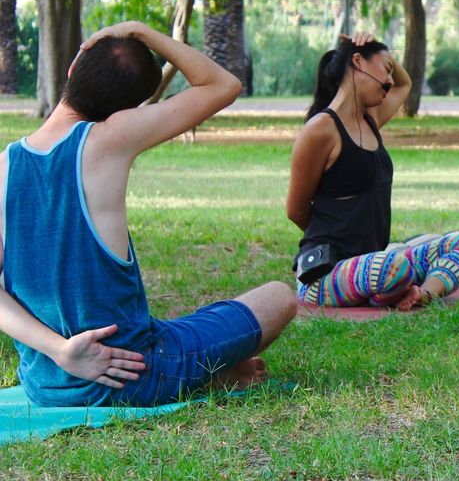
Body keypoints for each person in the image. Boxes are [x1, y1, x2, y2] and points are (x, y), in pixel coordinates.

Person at [1, 22, 296, 407]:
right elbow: (223, 85)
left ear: (73, 69)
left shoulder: (5, 166)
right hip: (135, 374)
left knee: (177, 329)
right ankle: (207, 376)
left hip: (47, 383)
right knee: (280, 297)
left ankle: (213, 372)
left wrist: (61, 351)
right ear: (130, 110)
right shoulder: (112, 137)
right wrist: (142, 31)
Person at [287, 33, 459, 309]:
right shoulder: (320, 129)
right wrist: (338, 238)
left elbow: (405, 83)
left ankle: (421, 294)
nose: (390, 80)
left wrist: (384, 53)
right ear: (357, 62)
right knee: (395, 266)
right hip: (326, 274)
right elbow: (296, 210)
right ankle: (390, 288)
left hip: (374, 262)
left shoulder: (371, 119)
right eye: (385, 69)